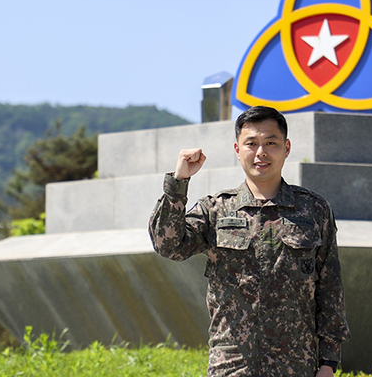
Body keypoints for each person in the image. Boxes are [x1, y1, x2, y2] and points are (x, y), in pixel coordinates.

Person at [149, 106, 350, 376]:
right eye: (251, 143)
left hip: (294, 366)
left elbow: (330, 289)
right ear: (237, 149)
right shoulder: (216, 210)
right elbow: (168, 245)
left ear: (287, 148)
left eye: (271, 143)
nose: (261, 152)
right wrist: (179, 181)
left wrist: (328, 363)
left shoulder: (314, 210)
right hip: (232, 366)